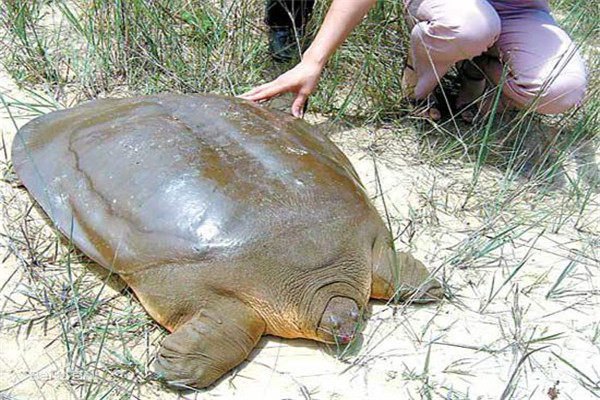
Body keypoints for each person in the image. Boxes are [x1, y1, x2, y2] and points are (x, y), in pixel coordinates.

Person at [242, 0, 588, 121]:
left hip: (520, 9)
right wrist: (313, 61)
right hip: (454, 8)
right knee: (470, 26)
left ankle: (476, 64)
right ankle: (418, 82)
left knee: (563, 90)